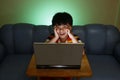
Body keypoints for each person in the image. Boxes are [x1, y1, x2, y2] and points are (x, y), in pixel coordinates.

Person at [43, 12, 84, 80]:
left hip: (67, 65)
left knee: (66, 75)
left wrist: (71, 36)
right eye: (58, 28)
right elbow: (43, 50)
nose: (61, 30)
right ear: (54, 28)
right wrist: (55, 38)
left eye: (64, 27)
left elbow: (82, 52)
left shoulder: (75, 38)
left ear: (70, 28)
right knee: (44, 75)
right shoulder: (52, 37)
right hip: (53, 64)